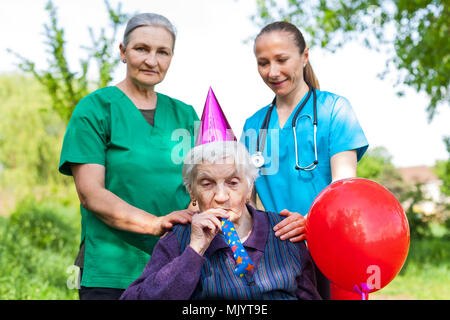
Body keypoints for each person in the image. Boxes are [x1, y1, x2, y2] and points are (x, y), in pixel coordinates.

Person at [58, 13, 199, 300]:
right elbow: (91, 194)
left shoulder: (186, 115)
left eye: (163, 52)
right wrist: (156, 223)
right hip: (112, 270)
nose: (152, 60)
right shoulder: (95, 109)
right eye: (141, 49)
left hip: (177, 267)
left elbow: (204, 183)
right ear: (123, 52)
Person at [240, 21, 369, 299]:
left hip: (334, 249)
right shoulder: (253, 126)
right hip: (279, 259)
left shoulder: (334, 109)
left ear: (304, 56)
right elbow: (244, 198)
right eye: (263, 63)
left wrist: (310, 221)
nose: (272, 72)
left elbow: (343, 186)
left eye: (282, 60)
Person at [120, 141, 321, 300]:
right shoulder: (178, 239)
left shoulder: (283, 230)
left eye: (233, 183)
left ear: (249, 187)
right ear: (192, 193)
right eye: (207, 184)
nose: (221, 196)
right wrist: (194, 251)